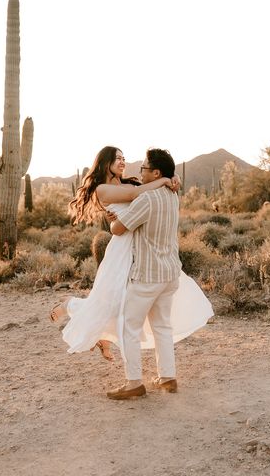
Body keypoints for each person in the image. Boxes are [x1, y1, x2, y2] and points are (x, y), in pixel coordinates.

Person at [49, 146, 214, 382]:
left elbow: (143, 194)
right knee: (107, 301)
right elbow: (137, 196)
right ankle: (69, 305)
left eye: (124, 158)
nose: (123, 162)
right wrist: (167, 179)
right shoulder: (103, 189)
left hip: (138, 250)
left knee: (121, 306)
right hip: (122, 248)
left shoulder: (133, 183)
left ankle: (105, 340)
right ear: (105, 162)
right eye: (117, 158)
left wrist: (172, 177)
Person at [106, 148, 206, 400]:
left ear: (156, 173)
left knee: (128, 326)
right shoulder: (173, 195)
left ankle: (133, 382)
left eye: (144, 168)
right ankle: (168, 377)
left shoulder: (146, 200)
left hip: (147, 276)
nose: (140, 171)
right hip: (170, 272)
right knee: (162, 326)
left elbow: (118, 229)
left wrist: (112, 219)